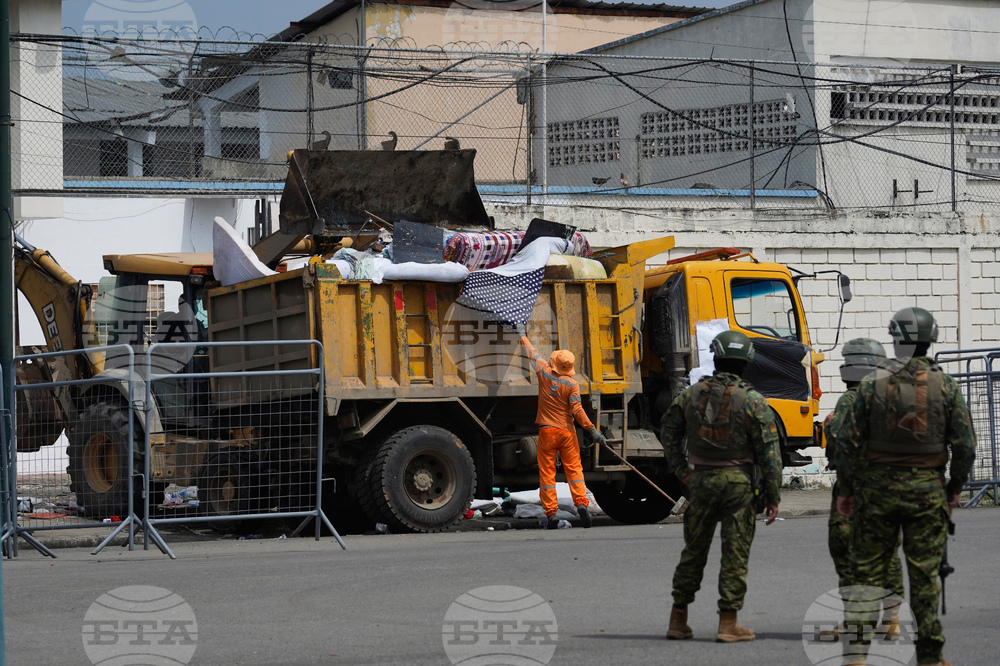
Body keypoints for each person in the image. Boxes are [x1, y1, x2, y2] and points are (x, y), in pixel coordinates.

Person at [835, 308, 976, 666]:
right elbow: (965, 445)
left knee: (866, 574)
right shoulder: (945, 385)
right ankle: (929, 657)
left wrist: (849, 489)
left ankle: (855, 657)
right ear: (932, 339)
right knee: (925, 576)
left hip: (876, 492)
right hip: (927, 492)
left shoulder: (871, 384)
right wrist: (954, 488)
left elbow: (848, 442)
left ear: (895, 339)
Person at [660, 330, 781, 643]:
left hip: (699, 482)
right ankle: (728, 624)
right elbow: (770, 452)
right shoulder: (753, 401)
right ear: (747, 361)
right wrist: (773, 495)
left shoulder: (691, 394)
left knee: (694, 551)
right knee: (734, 553)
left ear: (715, 357)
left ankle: (678, 620)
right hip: (739, 485)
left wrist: (682, 472)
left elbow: (669, 432)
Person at [825, 338, 905, 639]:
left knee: (846, 551)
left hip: (857, 488)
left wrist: (830, 427)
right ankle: (892, 619)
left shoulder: (850, 401)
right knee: (887, 552)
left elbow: (841, 450)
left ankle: (856, 620)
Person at [520, 334, 606, 529]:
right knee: (574, 470)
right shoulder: (572, 385)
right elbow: (577, 410)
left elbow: (532, 354)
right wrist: (592, 430)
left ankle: (551, 513)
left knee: (547, 473)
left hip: (547, 432)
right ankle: (581, 504)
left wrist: (522, 335)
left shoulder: (544, 372)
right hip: (567, 433)